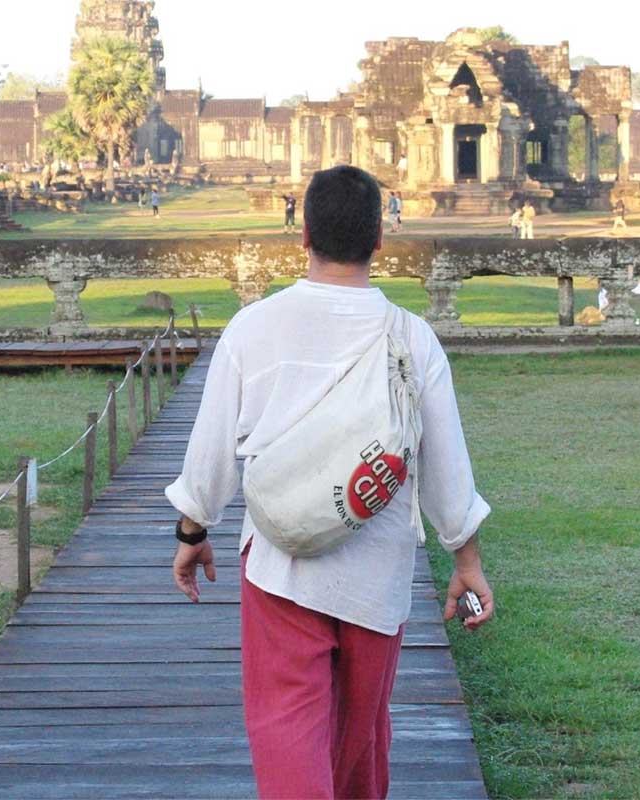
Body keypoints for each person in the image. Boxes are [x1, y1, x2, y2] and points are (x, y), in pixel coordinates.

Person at [165, 165, 493, 800]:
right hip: (378, 568)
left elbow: (210, 454)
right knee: (360, 735)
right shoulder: (413, 339)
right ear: (379, 241)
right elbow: (446, 465)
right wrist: (467, 558)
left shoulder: (252, 328)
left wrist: (192, 529)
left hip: (282, 565)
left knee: (286, 723)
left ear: (304, 235)